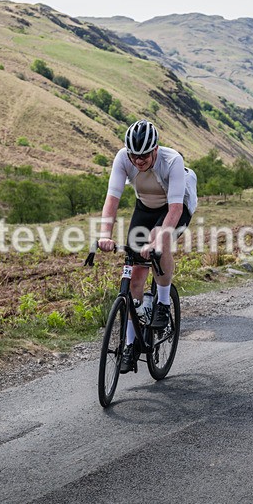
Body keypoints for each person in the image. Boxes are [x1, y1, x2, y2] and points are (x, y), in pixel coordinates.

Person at [96, 119, 198, 373]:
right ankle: (130, 345)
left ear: (155, 149)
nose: (138, 161)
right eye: (134, 156)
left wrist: (156, 241)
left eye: (144, 156)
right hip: (146, 205)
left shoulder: (172, 161)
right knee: (134, 280)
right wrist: (104, 235)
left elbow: (175, 209)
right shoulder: (123, 158)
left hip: (177, 204)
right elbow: (112, 200)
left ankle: (163, 302)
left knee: (157, 238)